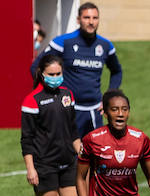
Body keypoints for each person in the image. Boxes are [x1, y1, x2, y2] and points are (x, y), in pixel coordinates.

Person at [21, 54, 84, 196]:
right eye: (52, 75)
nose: (56, 78)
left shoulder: (68, 95)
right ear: (41, 74)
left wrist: (82, 152)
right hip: (44, 165)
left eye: (59, 74)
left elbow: (73, 131)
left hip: (68, 162)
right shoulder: (32, 100)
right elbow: (26, 139)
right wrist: (31, 168)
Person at [31, 2, 122, 138]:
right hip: (68, 109)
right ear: (78, 20)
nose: (91, 22)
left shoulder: (105, 45)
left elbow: (117, 71)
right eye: (86, 18)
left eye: (95, 18)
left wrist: (109, 97)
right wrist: (50, 95)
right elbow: (36, 67)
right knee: (67, 157)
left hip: (94, 111)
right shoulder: (63, 42)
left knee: (96, 157)